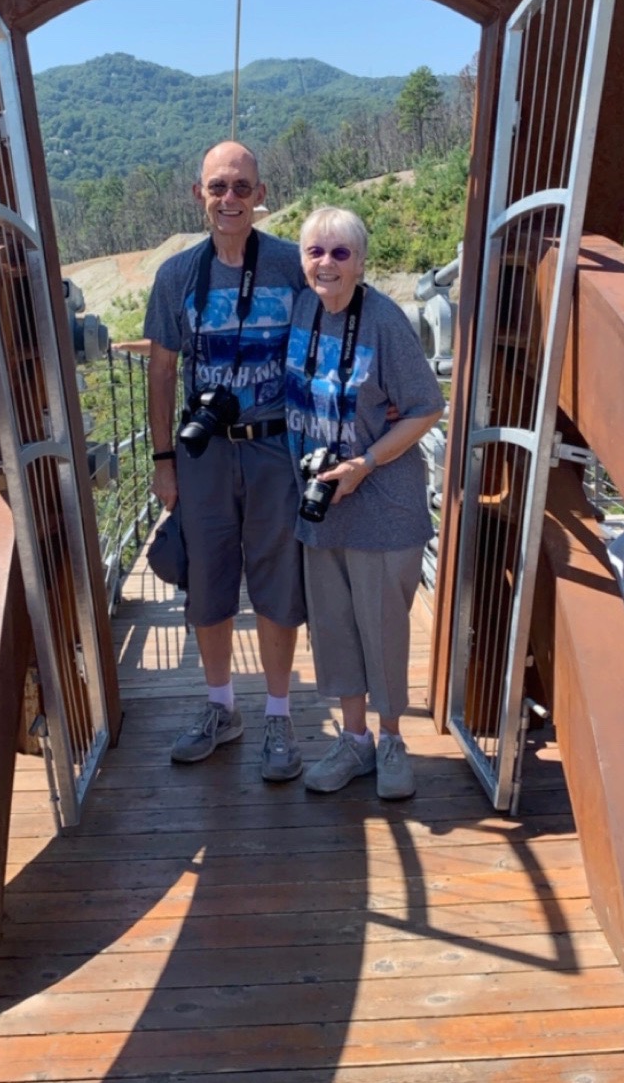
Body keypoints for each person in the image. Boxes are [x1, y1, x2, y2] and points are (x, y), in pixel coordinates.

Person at [144, 141, 306, 781]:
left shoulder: (295, 265)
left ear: (261, 194)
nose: (230, 199)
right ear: (199, 195)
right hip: (205, 453)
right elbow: (161, 372)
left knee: (276, 580)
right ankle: (220, 707)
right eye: (218, 187)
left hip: (276, 448)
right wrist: (163, 460)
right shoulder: (177, 275)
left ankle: (277, 713)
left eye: (242, 187)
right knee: (207, 580)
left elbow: (342, 324)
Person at [285, 206, 443, 799]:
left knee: (381, 628)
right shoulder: (302, 306)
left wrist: (366, 463)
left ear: (361, 262)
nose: (326, 263)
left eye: (340, 253)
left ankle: (392, 738)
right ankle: (354, 742)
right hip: (320, 502)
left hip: (379, 502)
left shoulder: (383, 321)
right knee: (335, 628)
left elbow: (427, 406)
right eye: (315, 252)